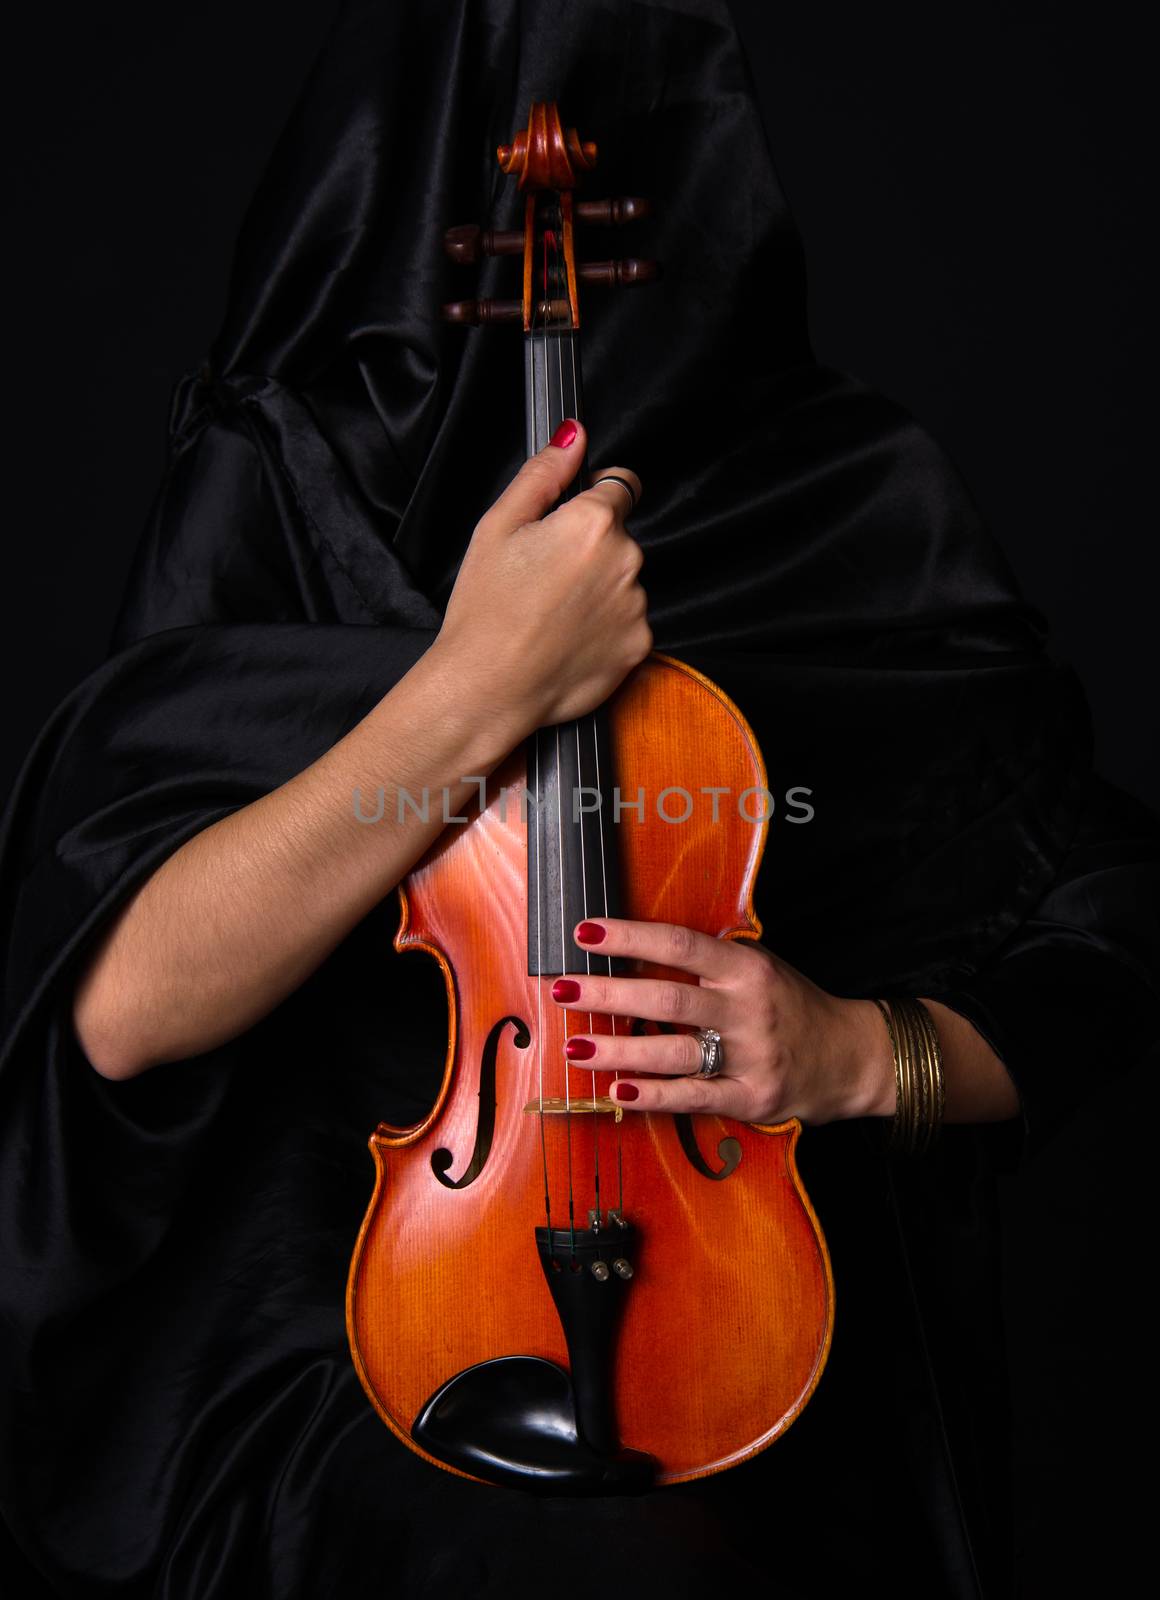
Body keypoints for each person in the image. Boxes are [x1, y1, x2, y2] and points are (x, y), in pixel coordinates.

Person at [1, 2, 1156, 1596]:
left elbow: (1112, 938)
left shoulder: (850, 499)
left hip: (751, 1314)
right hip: (348, 1329)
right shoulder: (285, 473)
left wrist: (859, 1053)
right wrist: (476, 691)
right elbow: (125, 1010)